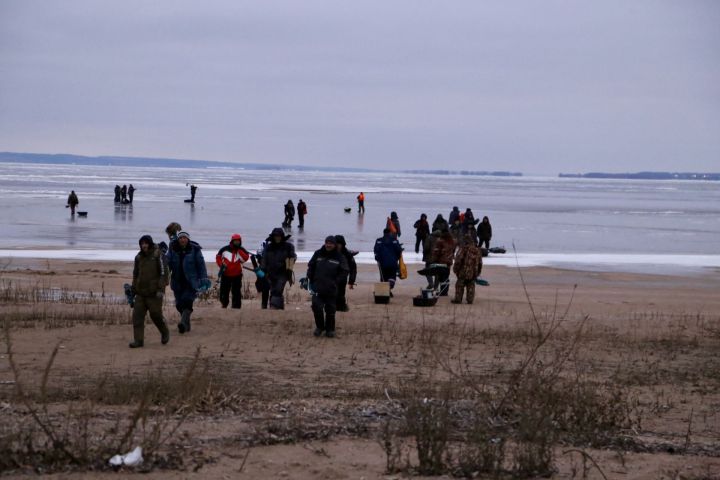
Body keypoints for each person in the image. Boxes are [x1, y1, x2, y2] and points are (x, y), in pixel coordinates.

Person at [128, 235, 170, 348]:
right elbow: (135, 274)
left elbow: (163, 273)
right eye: (142, 243)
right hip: (140, 293)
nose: (144, 245)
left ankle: (165, 332)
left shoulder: (158, 255)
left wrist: (161, 289)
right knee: (137, 316)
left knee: (155, 315)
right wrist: (133, 289)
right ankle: (138, 341)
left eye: (146, 243)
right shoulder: (138, 257)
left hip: (154, 292)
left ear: (150, 244)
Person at [166, 231, 208, 333]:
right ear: (178, 239)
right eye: (181, 238)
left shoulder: (195, 250)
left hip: (191, 282)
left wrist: (203, 279)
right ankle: (186, 324)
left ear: (188, 239)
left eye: (185, 238)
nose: (183, 240)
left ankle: (183, 324)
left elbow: (201, 265)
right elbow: (167, 263)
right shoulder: (173, 249)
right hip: (177, 281)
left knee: (187, 302)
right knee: (179, 305)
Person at [307, 236, 349, 338]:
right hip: (317, 287)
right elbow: (311, 266)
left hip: (331, 288)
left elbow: (345, 271)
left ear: (334, 245)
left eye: (331, 243)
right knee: (316, 307)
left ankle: (330, 329)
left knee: (330, 310)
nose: (328, 245)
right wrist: (310, 278)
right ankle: (320, 327)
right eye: (327, 243)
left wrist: (336, 281)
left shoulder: (339, 257)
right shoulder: (318, 253)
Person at [259, 227, 297, 309]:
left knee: (278, 290)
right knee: (273, 291)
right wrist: (262, 270)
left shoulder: (289, 246)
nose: (277, 237)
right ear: (273, 237)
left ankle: (274, 308)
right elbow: (264, 259)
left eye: (279, 236)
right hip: (270, 273)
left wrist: (291, 260)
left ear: (282, 236)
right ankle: (278, 308)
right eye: (275, 236)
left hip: (283, 273)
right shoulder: (268, 247)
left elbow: (293, 257)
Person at [215, 234, 250, 309]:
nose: (237, 242)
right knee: (224, 292)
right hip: (225, 274)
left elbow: (246, 258)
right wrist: (221, 265)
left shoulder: (241, 249)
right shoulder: (224, 249)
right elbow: (218, 257)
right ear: (232, 241)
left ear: (240, 241)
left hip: (237, 275)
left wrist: (239, 250)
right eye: (235, 241)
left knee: (236, 292)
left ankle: (236, 307)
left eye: (238, 241)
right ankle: (224, 305)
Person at [452, 233, 483, 304]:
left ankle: (458, 299)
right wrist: (478, 272)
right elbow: (480, 263)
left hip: (463, 271)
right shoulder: (477, 250)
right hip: (473, 271)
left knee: (460, 284)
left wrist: (455, 269)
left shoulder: (463, 249)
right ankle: (470, 299)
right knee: (471, 284)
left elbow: (458, 260)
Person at [334, 235, 357, 312]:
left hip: (343, 277)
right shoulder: (329, 252)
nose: (337, 245)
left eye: (339, 244)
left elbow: (353, 268)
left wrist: (351, 281)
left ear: (343, 244)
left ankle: (341, 307)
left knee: (340, 293)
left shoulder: (348, 254)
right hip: (331, 276)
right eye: (336, 243)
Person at [430, 230, 456, 296]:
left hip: (441, 262)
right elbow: (453, 251)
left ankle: (443, 291)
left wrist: (433, 260)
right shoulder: (452, 242)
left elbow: (437, 252)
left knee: (441, 277)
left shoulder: (440, 241)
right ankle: (445, 291)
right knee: (446, 276)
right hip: (449, 262)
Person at [251, 240, 271, 309]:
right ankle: (264, 305)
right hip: (263, 269)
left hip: (272, 269)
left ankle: (269, 305)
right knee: (265, 289)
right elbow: (259, 254)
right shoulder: (264, 243)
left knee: (272, 289)